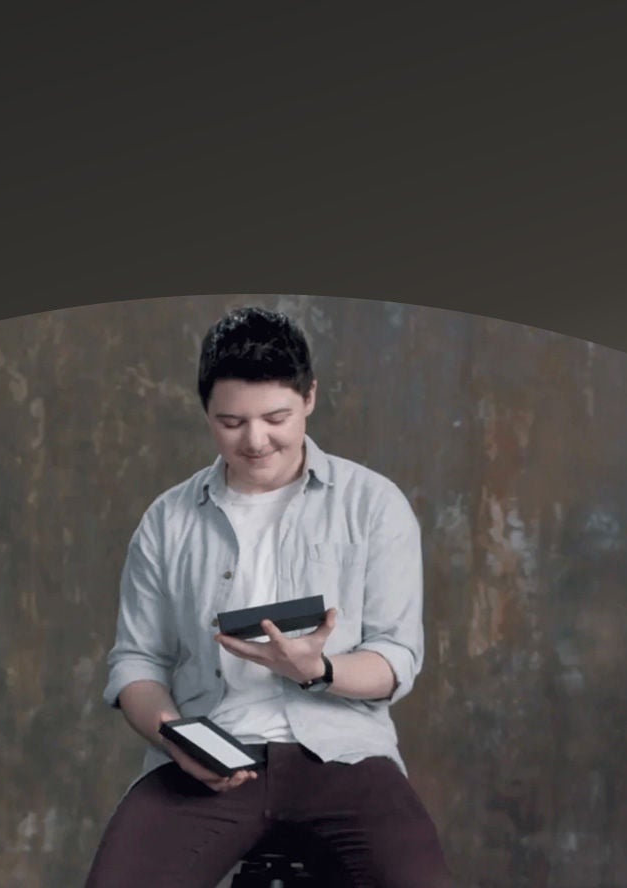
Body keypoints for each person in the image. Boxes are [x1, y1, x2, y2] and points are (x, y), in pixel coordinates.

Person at [85, 306, 453, 887]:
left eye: (276, 418)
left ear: (310, 397)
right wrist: (175, 738)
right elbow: (137, 661)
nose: (255, 441)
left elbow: (396, 657)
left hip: (346, 756)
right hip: (210, 757)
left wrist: (319, 670)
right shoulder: (167, 520)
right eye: (230, 422)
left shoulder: (373, 505)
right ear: (206, 412)